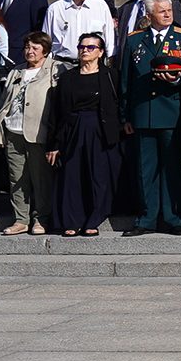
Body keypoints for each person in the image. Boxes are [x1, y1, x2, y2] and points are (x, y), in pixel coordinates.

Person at [119, 0, 181, 234]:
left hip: (172, 112)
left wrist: (178, 79)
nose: (167, 15)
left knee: (172, 168)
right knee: (145, 168)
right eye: (161, 12)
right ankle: (147, 217)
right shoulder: (135, 40)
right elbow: (125, 80)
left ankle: (173, 217)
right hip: (143, 112)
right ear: (149, 15)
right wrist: (125, 116)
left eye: (169, 10)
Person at [46, 30, 123, 238]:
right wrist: (55, 143)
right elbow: (58, 112)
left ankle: (94, 219)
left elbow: (119, 104)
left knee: (98, 176)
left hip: (101, 130)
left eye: (91, 48)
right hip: (73, 129)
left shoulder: (110, 75)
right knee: (72, 175)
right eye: (82, 47)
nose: (85, 51)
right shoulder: (68, 78)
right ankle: (72, 220)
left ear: (100, 52)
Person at [0, 33, 56, 235]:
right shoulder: (16, 70)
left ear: (45, 49)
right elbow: (4, 102)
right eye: (27, 47)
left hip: (38, 132)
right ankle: (20, 219)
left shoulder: (54, 69)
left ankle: (41, 218)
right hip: (13, 130)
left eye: (35, 47)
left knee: (40, 178)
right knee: (16, 178)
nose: (30, 51)